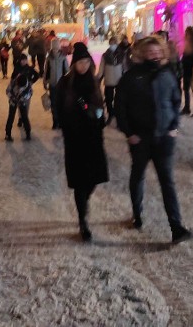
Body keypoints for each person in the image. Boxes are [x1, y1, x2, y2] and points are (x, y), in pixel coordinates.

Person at [116, 36, 193, 244]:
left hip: (164, 138)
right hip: (140, 138)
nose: (154, 55)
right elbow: (120, 106)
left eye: (157, 52)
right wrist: (128, 132)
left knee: (167, 181)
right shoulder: (131, 77)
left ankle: (176, 227)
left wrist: (174, 125)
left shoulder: (167, 74)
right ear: (142, 54)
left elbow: (176, 100)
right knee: (138, 176)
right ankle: (137, 213)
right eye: (150, 52)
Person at [57, 42, 108, 242]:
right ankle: (83, 220)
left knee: (94, 179)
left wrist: (100, 120)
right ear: (74, 63)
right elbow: (59, 108)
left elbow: (99, 103)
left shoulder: (94, 81)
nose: (84, 65)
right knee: (80, 181)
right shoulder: (65, 83)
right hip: (75, 138)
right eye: (80, 62)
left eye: (87, 61)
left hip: (93, 137)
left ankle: (83, 204)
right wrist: (67, 130)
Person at [6, 54, 39, 141]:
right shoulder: (13, 82)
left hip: (23, 98)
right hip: (14, 99)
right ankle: (8, 134)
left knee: (24, 114)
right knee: (11, 116)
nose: (23, 61)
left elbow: (30, 92)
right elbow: (8, 90)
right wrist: (13, 98)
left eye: (25, 60)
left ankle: (27, 132)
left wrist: (22, 98)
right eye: (22, 60)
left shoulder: (27, 88)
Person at [96, 37, 126, 125]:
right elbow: (101, 67)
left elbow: (124, 67)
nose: (113, 45)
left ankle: (117, 114)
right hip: (109, 80)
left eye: (114, 43)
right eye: (111, 43)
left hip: (119, 80)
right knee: (108, 99)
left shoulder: (121, 54)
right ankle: (110, 114)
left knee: (118, 99)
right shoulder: (105, 55)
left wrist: (126, 76)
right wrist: (98, 77)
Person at [43, 37, 70, 130]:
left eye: (56, 47)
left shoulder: (63, 57)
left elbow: (67, 70)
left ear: (59, 47)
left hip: (61, 84)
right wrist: (44, 81)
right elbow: (46, 71)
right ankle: (55, 121)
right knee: (54, 104)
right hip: (52, 84)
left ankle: (61, 121)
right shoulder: (49, 58)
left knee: (61, 103)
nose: (55, 49)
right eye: (53, 47)